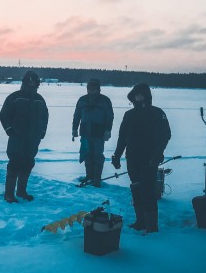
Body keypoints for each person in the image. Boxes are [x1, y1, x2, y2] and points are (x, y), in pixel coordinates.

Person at [112, 83, 171, 232]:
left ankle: (152, 226)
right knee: (136, 188)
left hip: (149, 159)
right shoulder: (129, 115)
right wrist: (117, 155)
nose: (138, 97)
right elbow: (122, 137)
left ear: (146, 95)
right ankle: (140, 221)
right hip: (132, 158)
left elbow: (165, 135)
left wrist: (157, 155)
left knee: (148, 190)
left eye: (140, 94)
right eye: (136, 95)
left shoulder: (157, 113)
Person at [0, 71, 49, 203]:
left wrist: (42, 131)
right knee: (14, 163)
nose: (32, 85)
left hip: (33, 138)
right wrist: (9, 129)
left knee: (28, 163)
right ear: (25, 82)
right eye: (29, 82)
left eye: (34, 82)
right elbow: (4, 114)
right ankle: (8, 194)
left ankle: (21, 191)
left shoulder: (40, 99)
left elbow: (45, 116)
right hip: (17, 137)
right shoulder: (15, 97)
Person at [72, 79, 115, 187]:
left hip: (99, 133)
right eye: (89, 87)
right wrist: (74, 129)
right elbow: (77, 115)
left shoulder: (105, 100)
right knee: (87, 154)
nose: (91, 90)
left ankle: (97, 179)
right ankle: (89, 176)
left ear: (98, 88)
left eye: (93, 88)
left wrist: (107, 130)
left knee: (97, 156)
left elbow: (110, 117)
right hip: (85, 133)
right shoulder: (82, 100)